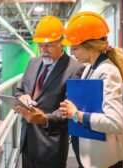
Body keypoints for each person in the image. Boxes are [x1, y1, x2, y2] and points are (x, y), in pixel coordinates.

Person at [59, 11, 123, 168]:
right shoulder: (89, 69)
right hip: (89, 155)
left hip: (103, 161)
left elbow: (115, 123)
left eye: (75, 48)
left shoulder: (108, 71)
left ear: (91, 47)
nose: (71, 52)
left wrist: (76, 115)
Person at [14, 15, 84, 168]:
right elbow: (19, 91)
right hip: (27, 142)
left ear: (61, 44)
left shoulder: (75, 69)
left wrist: (44, 118)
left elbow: (69, 110)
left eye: (49, 45)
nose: (43, 50)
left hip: (51, 148)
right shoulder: (33, 62)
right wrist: (23, 97)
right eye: (40, 45)